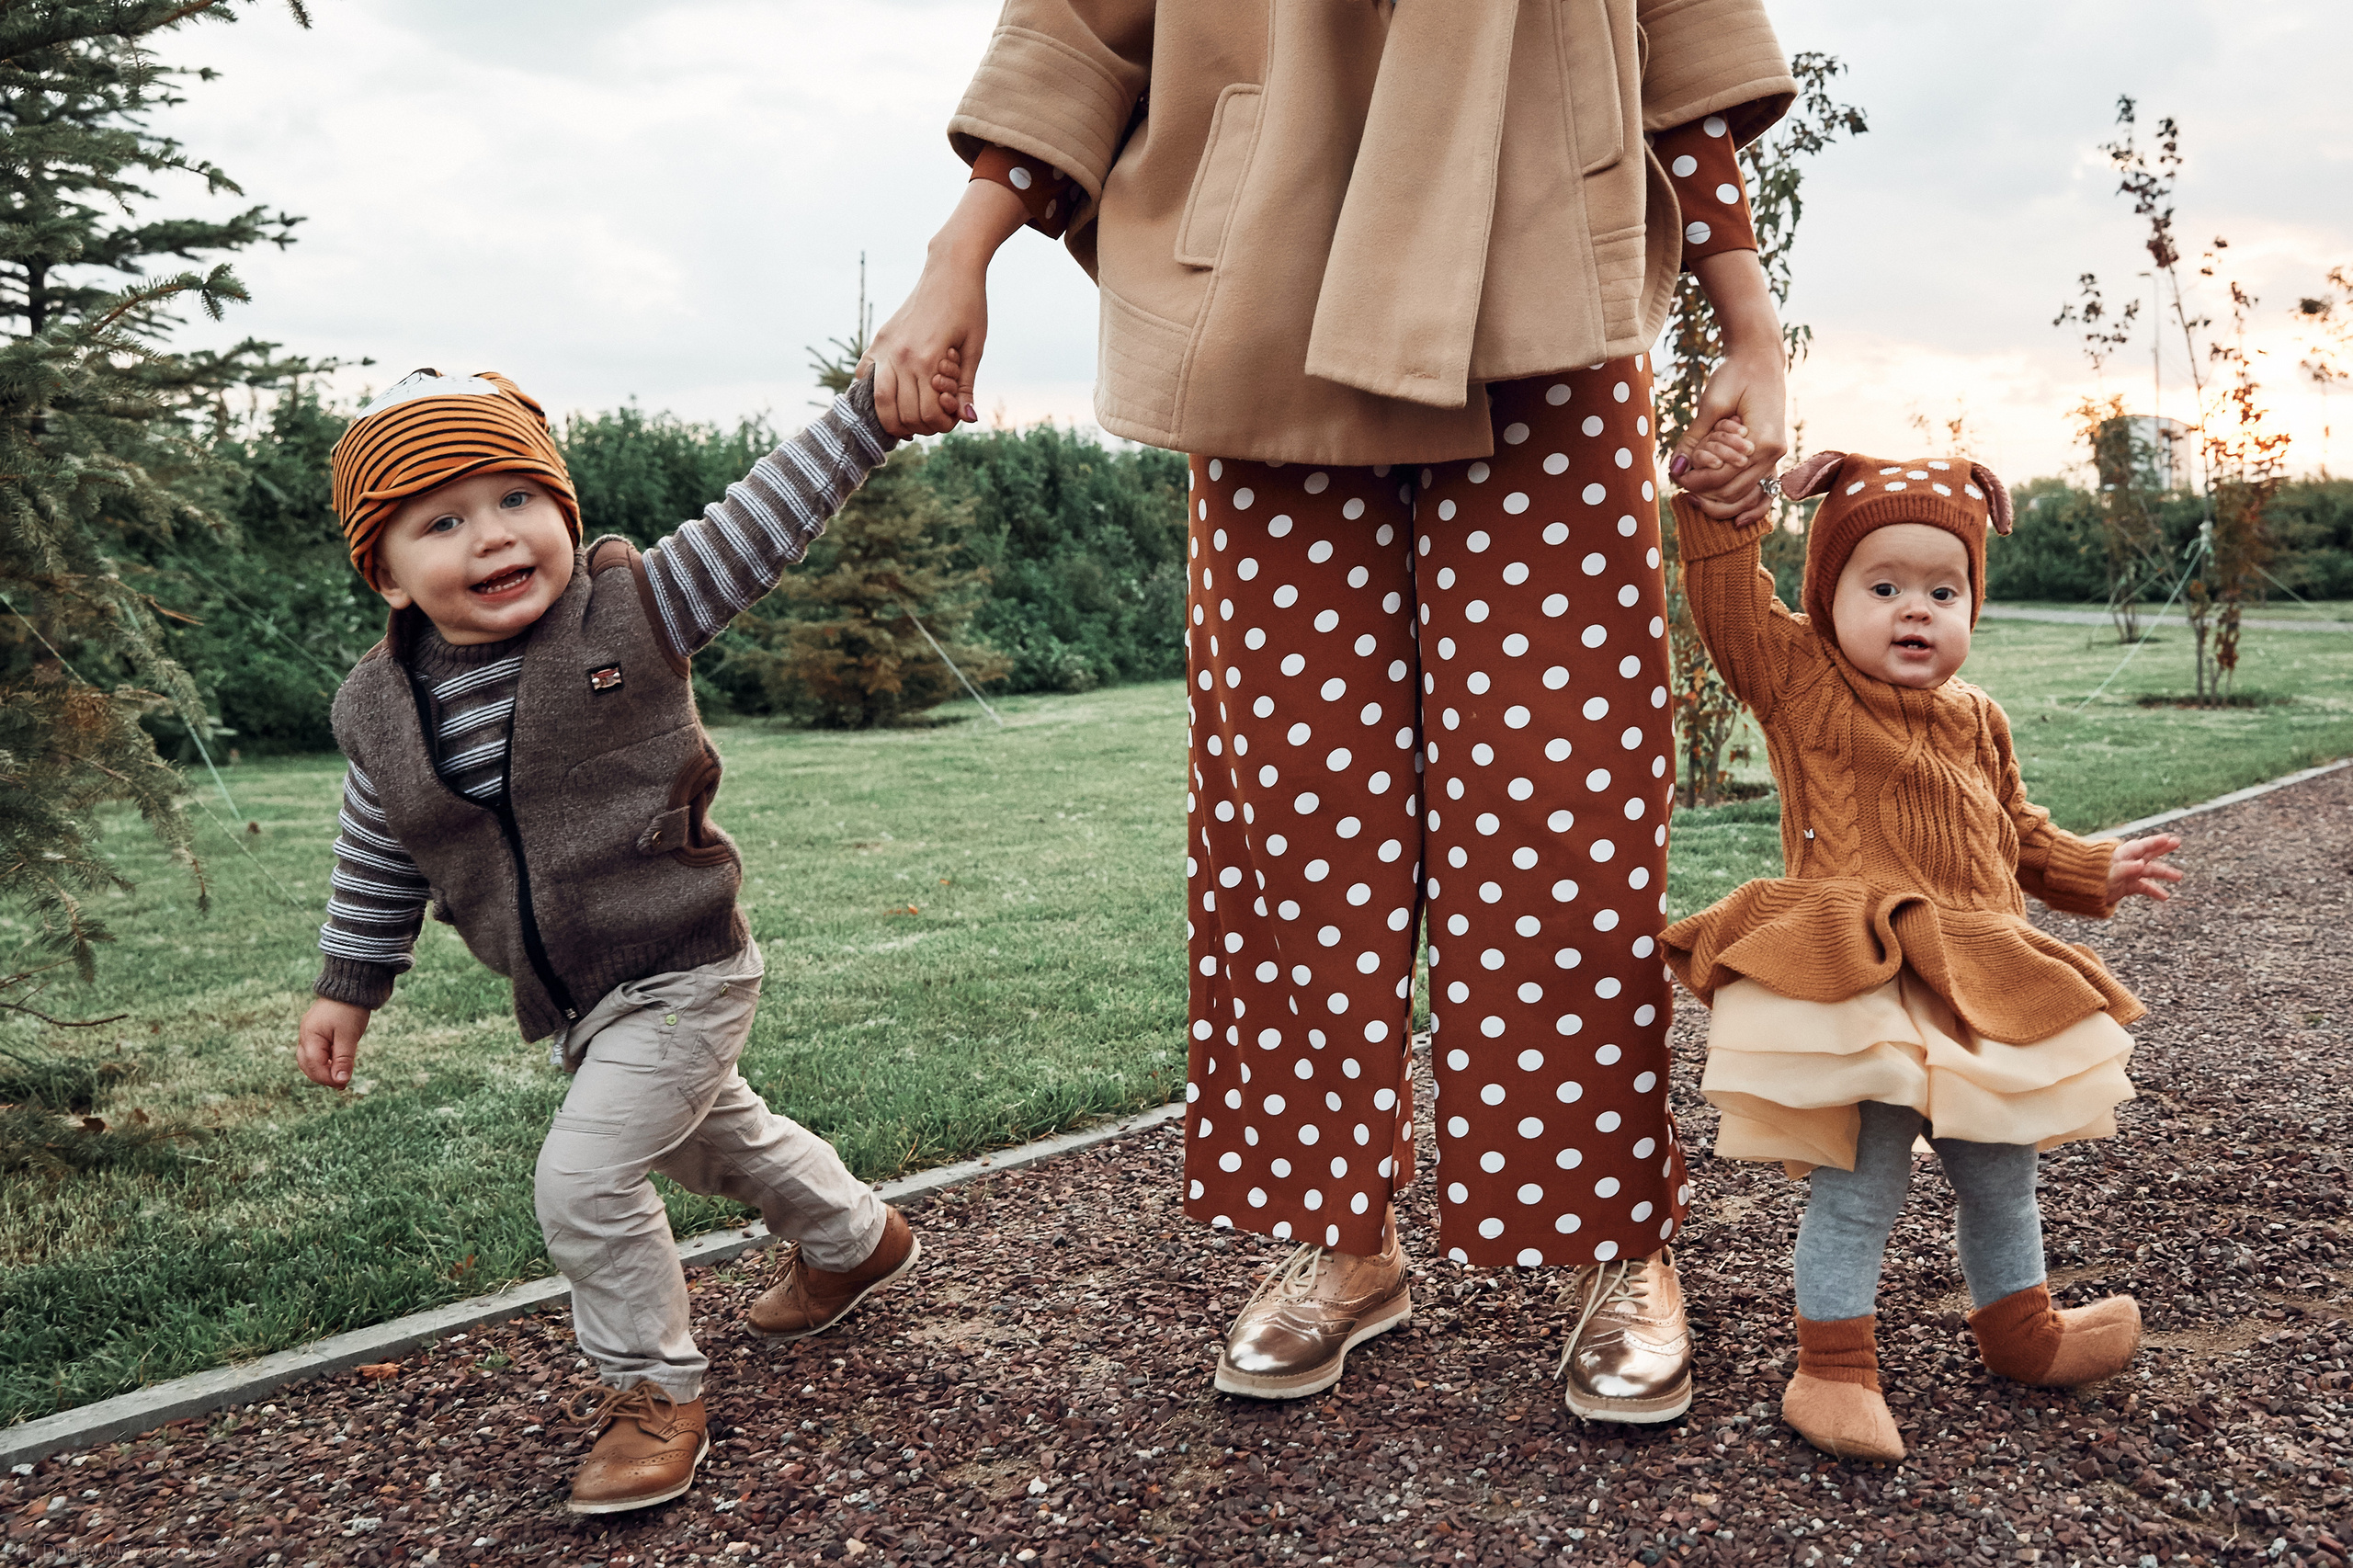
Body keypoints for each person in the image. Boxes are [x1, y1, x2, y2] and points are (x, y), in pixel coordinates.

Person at [867, 1, 1799, 1419]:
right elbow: (1078, 21)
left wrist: (1751, 322)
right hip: (1270, 294)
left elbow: (1689, 46)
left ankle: (1613, 1238)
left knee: (1562, 818)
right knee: (1294, 822)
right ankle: (1347, 1239)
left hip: (1544, 287)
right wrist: (960, 251)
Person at [295, 365, 945, 1512]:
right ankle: (854, 1237)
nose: (493, 536)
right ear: (384, 573)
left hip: (686, 965)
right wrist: (350, 981)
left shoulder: (629, 614)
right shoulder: (378, 712)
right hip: (577, 997)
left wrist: (866, 416)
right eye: (442, 520)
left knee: (584, 1178)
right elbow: (382, 848)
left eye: (517, 500)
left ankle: (654, 1391)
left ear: (564, 512)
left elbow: (756, 519)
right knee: (713, 1141)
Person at [1662, 433, 2184, 1461]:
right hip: (1863, 972)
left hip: (1978, 976)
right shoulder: (1805, 680)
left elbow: (2016, 831)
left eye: (1943, 591)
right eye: (1884, 583)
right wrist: (1724, 513)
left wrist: (2092, 869)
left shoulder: (1977, 717)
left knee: (2001, 1170)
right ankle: (1833, 1366)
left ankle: (2021, 1330)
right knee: (1863, 1180)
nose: (1915, 610)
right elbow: (1727, 611)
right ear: (1828, 598)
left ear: (1971, 609)